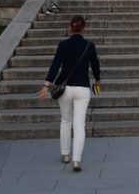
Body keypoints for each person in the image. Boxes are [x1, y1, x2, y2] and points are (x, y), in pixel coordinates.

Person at [38, 15, 101, 172]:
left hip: (64, 89)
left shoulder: (63, 45)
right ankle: (76, 160)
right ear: (84, 28)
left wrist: (46, 86)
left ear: (70, 27)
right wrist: (98, 81)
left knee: (65, 121)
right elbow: (95, 65)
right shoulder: (89, 46)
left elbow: (55, 66)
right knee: (79, 125)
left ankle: (65, 154)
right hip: (82, 88)